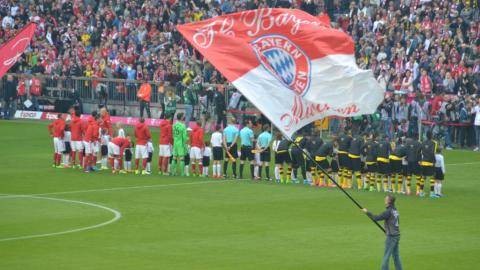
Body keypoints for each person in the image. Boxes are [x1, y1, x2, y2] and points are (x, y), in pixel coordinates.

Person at [362, 195, 403, 270]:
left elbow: (376, 218)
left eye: (386, 199)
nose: (385, 199)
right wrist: (388, 230)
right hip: (397, 235)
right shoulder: (395, 210)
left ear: (389, 201)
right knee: (396, 256)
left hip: (391, 237)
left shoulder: (388, 212)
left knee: (386, 257)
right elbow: (396, 222)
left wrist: (367, 212)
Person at [419, 130, 438, 198]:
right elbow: (433, 153)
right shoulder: (434, 143)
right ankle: (432, 193)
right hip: (430, 162)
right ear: (431, 135)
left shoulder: (422, 142)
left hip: (423, 162)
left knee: (423, 177)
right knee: (432, 177)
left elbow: (419, 152)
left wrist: (420, 160)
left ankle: (421, 192)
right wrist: (434, 161)